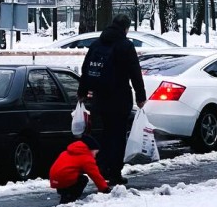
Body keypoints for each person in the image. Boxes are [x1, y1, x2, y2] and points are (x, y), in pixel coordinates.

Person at [76, 14, 146, 186]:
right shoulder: (125, 46)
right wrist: (141, 96)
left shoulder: (97, 44)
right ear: (126, 28)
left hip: (99, 98)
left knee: (102, 135)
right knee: (118, 136)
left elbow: (87, 68)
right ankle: (114, 173)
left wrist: (82, 91)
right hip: (119, 98)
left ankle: (101, 169)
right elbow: (134, 72)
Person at [49, 134, 111, 204]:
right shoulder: (86, 158)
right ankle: (70, 198)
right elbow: (95, 175)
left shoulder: (66, 152)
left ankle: (64, 192)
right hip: (65, 180)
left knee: (74, 176)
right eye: (95, 153)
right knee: (83, 179)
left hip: (55, 180)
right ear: (90, 149)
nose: (95, 156)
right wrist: (105, 189)